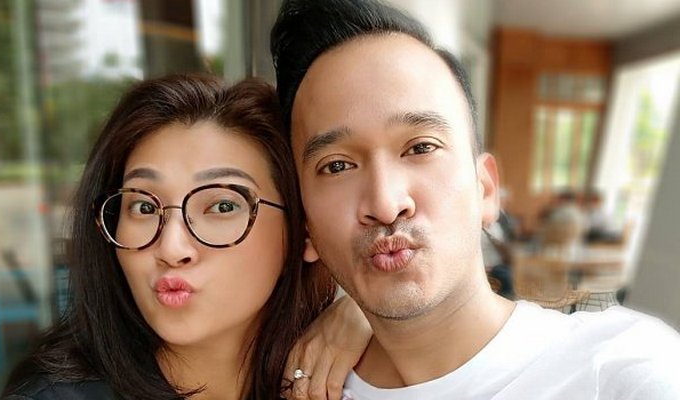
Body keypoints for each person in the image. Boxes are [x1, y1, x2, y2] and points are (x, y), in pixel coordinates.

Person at [271, 0, 680, 399]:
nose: (386, 203)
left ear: (485, 189)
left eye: (421, 147)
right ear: (305, 227)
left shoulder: (618, 368)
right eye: (337, 166)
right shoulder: (297, 380)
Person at [0, 74, 370, 399]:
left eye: (222, 206)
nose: (171, 248)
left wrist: (371, 313)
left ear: (305, 231)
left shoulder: (345, 374)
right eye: (143, 207)